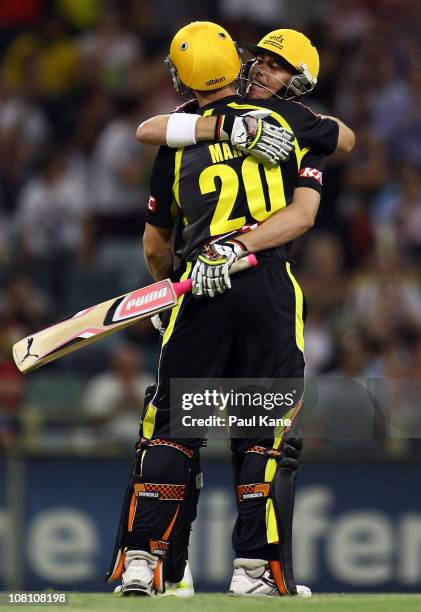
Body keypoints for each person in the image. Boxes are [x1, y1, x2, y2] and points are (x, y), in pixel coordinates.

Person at [107, 22, 354, 598]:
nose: (264, 71)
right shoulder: (289, 123)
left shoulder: (179, 135)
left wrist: (171, 290)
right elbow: (332, 161)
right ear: (240, 64)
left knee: (171, 430)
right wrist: (243, 245)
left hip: (197, 288)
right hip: (266, 287)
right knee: (263, 433)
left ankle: (147, 562)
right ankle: (256, 572)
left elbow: (153, 244)